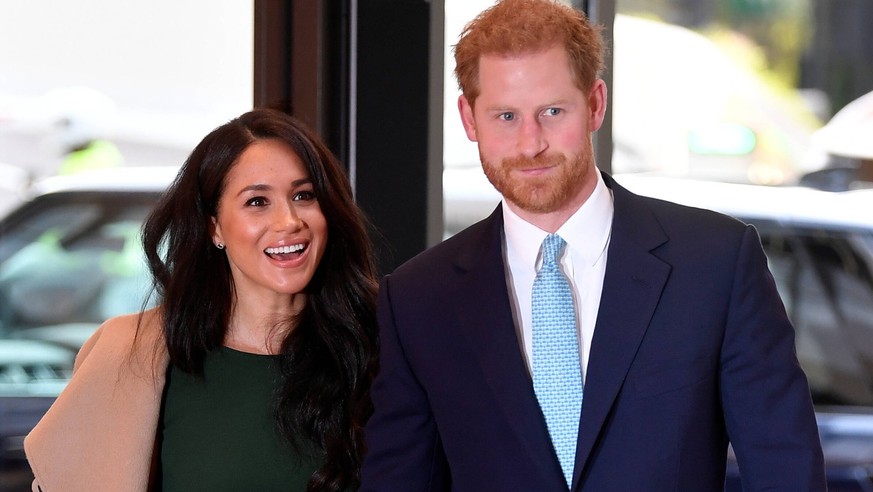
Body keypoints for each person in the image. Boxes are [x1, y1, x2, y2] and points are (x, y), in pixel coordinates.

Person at [360, 1, 826, 490]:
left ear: (596, 104)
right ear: (469, 119)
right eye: (505, 116)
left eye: (552, 111)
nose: (530, 143)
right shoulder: (416, 299)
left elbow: (786, 470)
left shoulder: (715, 264)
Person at [24, 108, 379, 491]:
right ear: (214, 227)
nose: (289, 221)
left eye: (304, 195)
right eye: (257, 202)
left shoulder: (380, 344)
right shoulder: (134, 354)